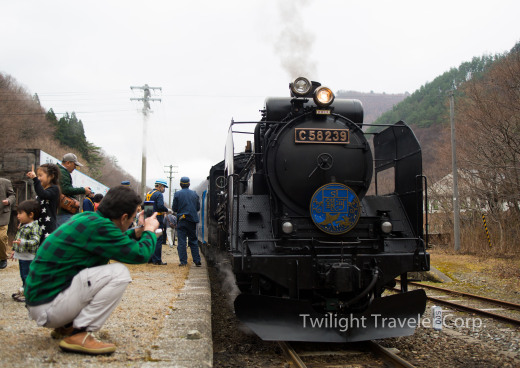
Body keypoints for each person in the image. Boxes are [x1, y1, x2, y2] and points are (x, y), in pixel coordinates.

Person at [25, 185, 160, 355]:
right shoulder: (101, 228)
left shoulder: (89, 218)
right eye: (132, 218)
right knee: (119, 274)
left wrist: (137, 231)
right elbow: (141, 254)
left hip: (40, 301)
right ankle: (79, 333)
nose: (132, 222)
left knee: (97, 272)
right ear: (124, 217)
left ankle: (66, 327)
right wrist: (149, 231)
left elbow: (113, 240)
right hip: (48, 308)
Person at [10, 200, 42, 302]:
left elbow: (35, 241)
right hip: (22, 256)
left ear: (31, 215)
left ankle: (28, 293)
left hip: (28, 257)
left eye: (20, 213)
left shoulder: (34, 227)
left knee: (27, 275)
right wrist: (14, 250)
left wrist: (23, 242)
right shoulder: (23, 225)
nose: (18, 216)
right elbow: (17, 238)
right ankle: (25, 289)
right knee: (23, 274)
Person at [26, 163, 61, 242]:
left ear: (51, 176)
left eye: (40, 176)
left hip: (47, 228)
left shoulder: (54, 189)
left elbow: (43, 194)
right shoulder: (41, 191)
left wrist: (35, 179)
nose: (38, 178)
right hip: (38, 227)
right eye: (37, 176)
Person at [172, 177, 201, 267]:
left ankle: (183, 262)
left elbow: (174, 208)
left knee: (182, 241)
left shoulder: (177, 194)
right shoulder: (195, 194)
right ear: (189, 184)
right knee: (193, 240)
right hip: (192, 220)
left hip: (182, 220)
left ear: (180, 184)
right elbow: (198, 208)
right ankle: (197, 261)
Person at [58, 153, 91, 226]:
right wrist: (83, 190)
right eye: (74, 165)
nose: (75, 167)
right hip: (62, 211)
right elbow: (65, 189)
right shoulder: (62, 172)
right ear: (68, 163)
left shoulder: (60, 171)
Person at [146, 179, 169, 265]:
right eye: (163, 187)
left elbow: (146, 207)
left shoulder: (149, 193)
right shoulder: (158, 194)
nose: (164, 189)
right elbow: (160, 206)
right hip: (157, 219)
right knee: (158, 239)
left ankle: (150, 259)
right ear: (159, 186)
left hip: (149, 218)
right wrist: (166, 210)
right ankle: (157, 260)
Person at [0, 177, 16, 270]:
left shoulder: (5, 182)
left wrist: (8, 201)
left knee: (1, 237)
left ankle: (3, 258)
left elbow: (12, 196)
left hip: (2, 214)